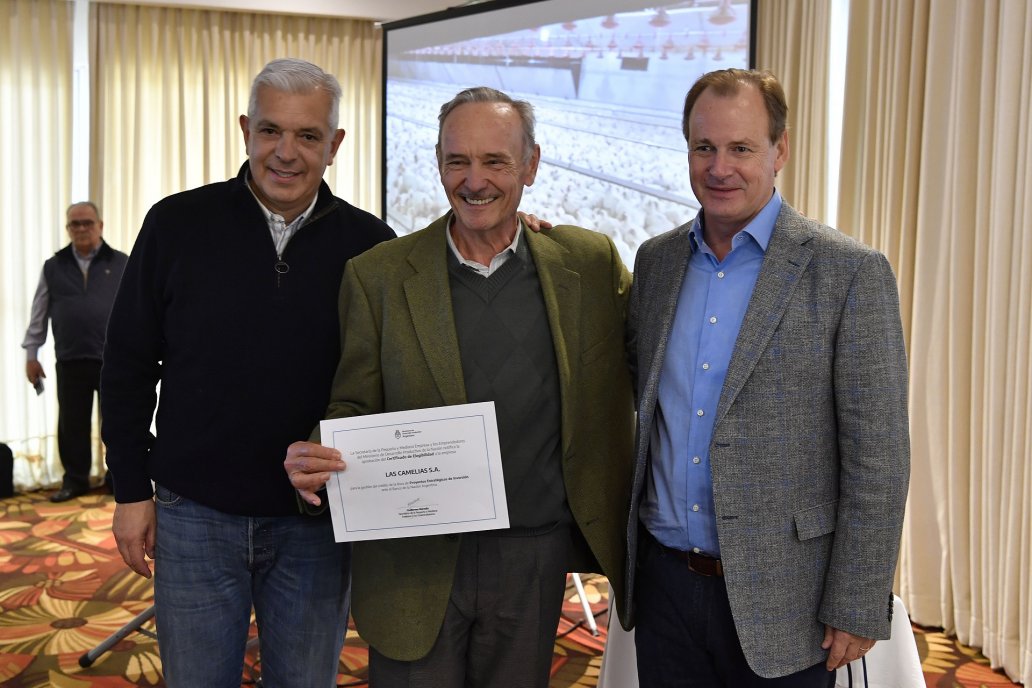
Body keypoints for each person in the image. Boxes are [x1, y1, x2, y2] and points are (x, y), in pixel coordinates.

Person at [284, 86, 634, 688]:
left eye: (495, 161)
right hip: (413, 556)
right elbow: (353, 405)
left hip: (534, 553)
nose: (475, 181)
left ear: (531, 165)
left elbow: (653, 363)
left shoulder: (587, 263)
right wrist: (318, 453)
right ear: (438, 163)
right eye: (458, 161)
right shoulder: (380, 276)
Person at [99, 58, 395, 687]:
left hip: (316, 525)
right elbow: (126, 365)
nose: (286, 153)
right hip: (193, 514)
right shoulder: (176, 224)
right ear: (245, 130)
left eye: (308, 136)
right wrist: (130, 490)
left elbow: (393, 378)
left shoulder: (372, 245)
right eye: (270, 131)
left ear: (335, 144)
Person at [623, 68, 911, 686]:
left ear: (780, 150)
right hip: (665, 588)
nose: (719, 167)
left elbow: (879, 456)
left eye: (741, 148)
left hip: (787, 600)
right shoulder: (657, 262)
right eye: (704, 147)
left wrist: (857, 601)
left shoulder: (848, 273)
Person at [23, 201, 128, 502]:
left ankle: (118, 479)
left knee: (119, 423)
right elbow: (39, 313)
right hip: (70, 359)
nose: (81, 229)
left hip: (114, 360)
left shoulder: (122, 263)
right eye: (75, 224)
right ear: (68, 228)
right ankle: (75, 480)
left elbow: (138, 311)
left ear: (100, 225)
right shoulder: (53, 266)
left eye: (87, 223)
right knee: (72, 425)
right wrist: (32, 355)